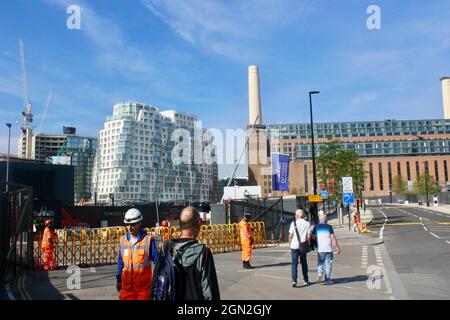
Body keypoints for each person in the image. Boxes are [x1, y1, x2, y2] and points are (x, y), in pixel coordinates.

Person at [171, 206, 220, 300]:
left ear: (179, 224)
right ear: (198, 224)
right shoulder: (203, 253)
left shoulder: (166, 249)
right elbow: (210, 292)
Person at [116, 208, 158, 300]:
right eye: (127, 224)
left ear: (139, 223)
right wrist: (118, 280)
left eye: (133, 224)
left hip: (143, 289)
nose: (129, 227)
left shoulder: (148, 241)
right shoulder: (123, 240)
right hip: (127, 288)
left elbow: (157, 262)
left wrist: (158, 282)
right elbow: (120, 262)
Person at [311, 211, 341, 285]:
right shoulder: (329, 227)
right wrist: (337, 247)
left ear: (319, 219)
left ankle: (320, 273)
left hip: (320, 248)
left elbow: (313, 237)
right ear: (326, 219)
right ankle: (327, 279)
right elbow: (332, 237)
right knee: (328, 263)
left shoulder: (316, 227)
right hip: (328, 248)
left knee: (320, 262)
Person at [288, 209, 311, 287]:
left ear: (297, 215)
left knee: (294, 264)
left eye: (295, 215)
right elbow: (308, 236)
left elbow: (290, 235)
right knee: (304, 263)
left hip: (294, 246)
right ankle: (306, 280)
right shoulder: (307, 223)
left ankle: (294, 281)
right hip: (303, 246)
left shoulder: (293, 223)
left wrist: (289, 243)